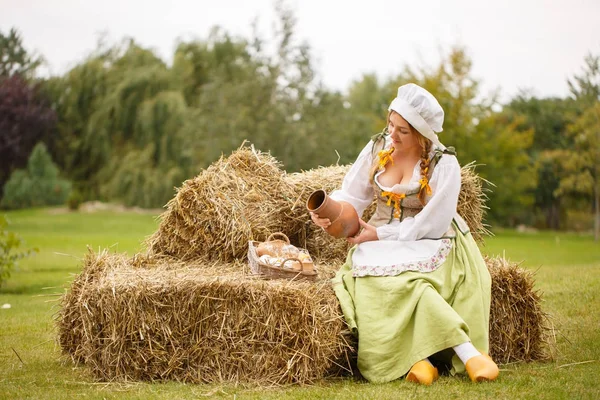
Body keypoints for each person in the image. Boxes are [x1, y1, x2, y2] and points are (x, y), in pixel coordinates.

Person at [310, 83, 499, 385]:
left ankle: (470, 354)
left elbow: (434, 222)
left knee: (415, 285)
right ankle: (422, 361)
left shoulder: (443, 163)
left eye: (403, 131)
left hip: (430, 237)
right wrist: (329, 213)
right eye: (390, 124)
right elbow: (352, 195)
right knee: (387, 283)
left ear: (422, 134)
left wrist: (382, 237)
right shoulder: (378, 148)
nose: (393, 136)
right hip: (380, 235)